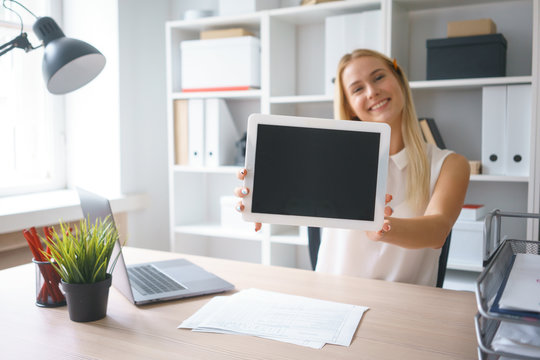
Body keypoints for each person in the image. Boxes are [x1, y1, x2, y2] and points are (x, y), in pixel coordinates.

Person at [234, 49, 470, 286]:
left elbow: (438, 230)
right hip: (334, 298)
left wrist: (382, 227)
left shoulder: (450, 164)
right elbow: (295, 200)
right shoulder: (329, 160)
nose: (372, 91)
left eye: (378, 77)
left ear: (399, 80)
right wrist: (262, 200)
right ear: (349, 106)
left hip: (403, 309)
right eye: (357, 89)